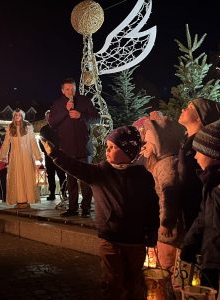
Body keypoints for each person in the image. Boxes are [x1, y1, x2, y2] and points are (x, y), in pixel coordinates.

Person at [41, 125, 159, 300]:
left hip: (136, 241)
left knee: (134, 281)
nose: (107, 151)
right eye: (107, 146)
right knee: (112, 281)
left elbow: (152, 205)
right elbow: (76, 167)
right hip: (111, 240)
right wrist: (55, 154)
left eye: (113, 147)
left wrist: (152, 230)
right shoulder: (100, 172)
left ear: (128, 151)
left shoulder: (143, 176)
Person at [180, 119, 220, 293]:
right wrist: (189, 246)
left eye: (198, 151)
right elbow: (203, 218)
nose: (195, 156)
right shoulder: (210, 182)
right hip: (210, 261)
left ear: (213, 153)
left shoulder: (219, 188)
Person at [49, 77, 99, 217]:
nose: (70, 91)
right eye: (67, 89)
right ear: (62, 90)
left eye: (72, 89)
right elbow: (52, 123)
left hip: (84, 147)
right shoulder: (58, 104)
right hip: (67, 148)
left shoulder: (84, 101)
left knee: (85, 180)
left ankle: (86, 208)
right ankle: (72, 208)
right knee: (70, 180)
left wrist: (81, 115)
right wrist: (66, 111)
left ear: (75, 89)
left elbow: (97, 118)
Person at [141, 117, 186, 272]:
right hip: (165, 228)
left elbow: (169, 194)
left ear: (158, 144)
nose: (143, 147)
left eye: (147, 143)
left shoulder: (167, 164)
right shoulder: (161, 163)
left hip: (168, 232)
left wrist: (165, 223)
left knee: (167, 267)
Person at [178, 99, 220, 232]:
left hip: (202, 215)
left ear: (200, 116)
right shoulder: (186, 144)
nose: (183, 109)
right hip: (189, 213)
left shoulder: (207, 148)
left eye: (190, 107)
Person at [0, 109, 43, 208]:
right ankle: (20, 200)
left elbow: (33, 142)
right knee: (17, 176)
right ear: (13, 116)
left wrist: (38, 156)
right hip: (15, 156)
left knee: (27, 176)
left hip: (27, 155)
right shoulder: (10, 128)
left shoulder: (28, 127)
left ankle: (27, 200)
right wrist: (3, 155)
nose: (17, 116)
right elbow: (6, 143)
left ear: (22, 116)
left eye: (19, 114)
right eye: (15, 115)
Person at [39, 110, 66, 200]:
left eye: (50, 116)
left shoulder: (60, 128)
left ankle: (64, 193)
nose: (49, 118)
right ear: (45, 118)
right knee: (50, 175)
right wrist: (46, 152)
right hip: (48, 156)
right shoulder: (43, 129)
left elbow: (63, 141)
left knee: (61, 175)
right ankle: (52, 194)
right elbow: (41, 142)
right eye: (47, 117)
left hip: (59, 156)